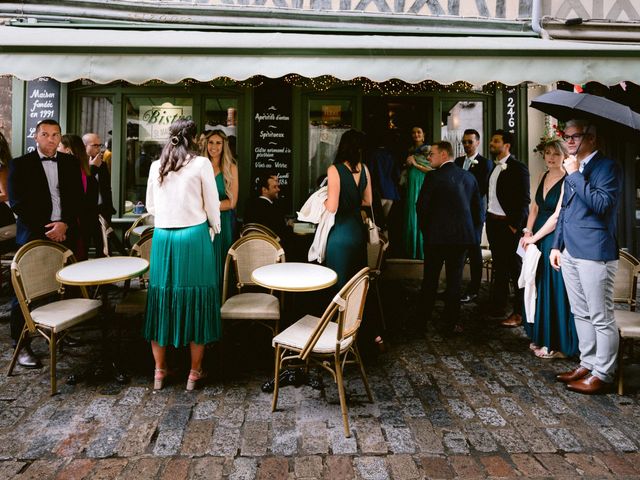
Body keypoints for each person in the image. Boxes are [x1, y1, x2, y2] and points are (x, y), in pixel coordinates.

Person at [144, 119, 221, 391]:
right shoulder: (201, 164)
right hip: (193, 237)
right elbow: (213, 204)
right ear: (194, 139)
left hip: (163, 238)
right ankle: (194, 372)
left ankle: (159, 372)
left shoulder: (157, 166)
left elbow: (151, 206)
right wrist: (215, 228)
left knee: (162, 300)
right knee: (197, 299)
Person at [551, 119, 622, 395]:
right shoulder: (572, 168)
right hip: (569, 250)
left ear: (591, 138)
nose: (568, 141)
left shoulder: (608, 167)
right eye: (565, 136)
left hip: (595, 251)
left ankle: (603, 373)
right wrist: (557, 246)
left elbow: (602, 205)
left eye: (575, 136)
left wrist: (576, 174)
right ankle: (588, 363)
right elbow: (565, 212)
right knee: (580, 312)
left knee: (600, 316)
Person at [8, 119, 83, 369]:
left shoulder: (71, 163)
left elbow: (77, 199)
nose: (51, 139)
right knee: (26, 290)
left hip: (65, 232)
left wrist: (65, 224)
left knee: (65, 285)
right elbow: (17, 203)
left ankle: (62, 332)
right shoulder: (20, 165)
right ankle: (21, 345)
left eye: (56, 134)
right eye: (46, 134)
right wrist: (48, 229)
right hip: (34, 234)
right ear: (36, 137)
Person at [520, 139, 578, 359]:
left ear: (564, 155)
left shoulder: (567, 180)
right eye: (547, 153)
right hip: (537, 235)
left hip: (555, 237)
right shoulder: (543, 176)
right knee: (539, 285)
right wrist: (527, 230)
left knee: (555, 287)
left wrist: (535, 236)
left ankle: (558, 342)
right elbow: (534, 207)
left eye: (555, 154)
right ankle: (542, 336)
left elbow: (557, 216)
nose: (551, 157)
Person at [416, 141, 481, 334]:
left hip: (435, 239)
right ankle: (450, 323)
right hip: (461, 239)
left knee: (430, 280)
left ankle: (422, 322)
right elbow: (478, 211)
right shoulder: (469, 177)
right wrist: (473, 236)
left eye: (432, 154)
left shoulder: (433, 177)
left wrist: (426, 232)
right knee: (455, 281)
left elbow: (421, 208)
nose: (428, 158)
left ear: (444, 155)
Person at [485, 129, 530, 327]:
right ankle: (498, 307)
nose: (491, 143)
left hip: (508, 226)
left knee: (515, 270)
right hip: (493, 224)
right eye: (492, 140)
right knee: (500, 268)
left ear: (506, 145)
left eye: (495, 141)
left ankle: (520, 313)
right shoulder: (493, 167)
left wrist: (515, 226)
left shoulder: (518, 167)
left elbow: (524, 199)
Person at [324, 129, 372, 290]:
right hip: (358, 232)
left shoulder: (334, 169)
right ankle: (354, 315)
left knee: (338, 284)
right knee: (355, 284)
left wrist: (322, 201)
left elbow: (332, 206)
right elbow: (368, 201)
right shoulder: (364, 169)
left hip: (340, 232)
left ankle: (338, 315)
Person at [454, 129, 493, 303]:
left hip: (475, 213)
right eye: (464, 142)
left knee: (474, 250)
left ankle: (474, 290)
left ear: (478, 142)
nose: (467, 145)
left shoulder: (485, 164)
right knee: (456, 251)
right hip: (457, 214)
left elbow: (483, 189)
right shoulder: (457, 161)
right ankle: (453, 288)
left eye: (470, 142)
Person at [202, 129, 238, 285]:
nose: (214, 146)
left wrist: (208, 206)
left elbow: (232, 202)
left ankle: (220, 300)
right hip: (201, 222)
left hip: (223, 223)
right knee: (204, 261)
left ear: (224, 146)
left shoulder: (231, 168)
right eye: (211, 142)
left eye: (218, 143)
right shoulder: (199, 166)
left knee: (222, 262)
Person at [59, 134, 100, 260]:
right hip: (80, 223)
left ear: (68, 150)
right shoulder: (85, 168)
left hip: (74, 223)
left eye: (59, 146)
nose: (56, 148)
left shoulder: (74, 170)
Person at [403, 126, 432, 259]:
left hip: (422, 182)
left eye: (419, 132)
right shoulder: (410, 149)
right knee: (411, 214)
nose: (416, 135)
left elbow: (431, 170)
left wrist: (414, 164)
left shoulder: (428, 149)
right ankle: (412, 250)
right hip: (412, 182)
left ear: (424, 135)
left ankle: (421, 250)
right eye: (413, 132)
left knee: (420, 212)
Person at [82, 133, 115, 223]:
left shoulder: (102, 164)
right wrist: (93, 167)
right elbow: (83, 187)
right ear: (84, 146)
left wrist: (109, 210)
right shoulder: (78, 164)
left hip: (103, 211)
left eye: (100, 145)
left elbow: (107, 187)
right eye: (95, 145)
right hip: (86, 213)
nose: (99, 149)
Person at [244, 172, 287, 240]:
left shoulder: (249, 205)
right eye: (274, 187)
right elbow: (283, 232)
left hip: (251, 245)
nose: (278, 189)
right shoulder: (273, 209)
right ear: (264, 190)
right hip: (272, 248)